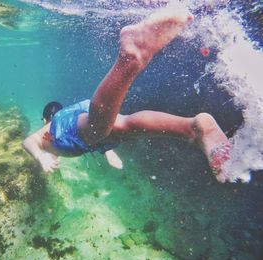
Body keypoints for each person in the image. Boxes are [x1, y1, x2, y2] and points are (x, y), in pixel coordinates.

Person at [23, 7, 232, 183]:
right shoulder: (65, 124)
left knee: (98, 128)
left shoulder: (50, 130)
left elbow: (28, 142)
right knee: (123, 127)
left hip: (78, 126)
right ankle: (191, 129)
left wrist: (41, 157)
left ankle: (131, 57)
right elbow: (92, 136)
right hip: (87, 120)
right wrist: (108, 152)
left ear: (45, 118)